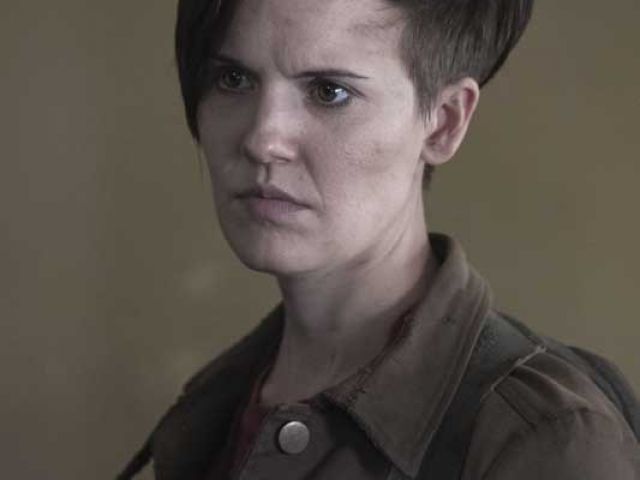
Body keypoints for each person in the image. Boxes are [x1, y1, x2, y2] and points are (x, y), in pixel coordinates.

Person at [119, 0, 640, 478]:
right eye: (233, 79)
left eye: (329, 91)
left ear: (444, 122)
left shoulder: (543, 439)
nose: (263, 138)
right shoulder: (219, 402)